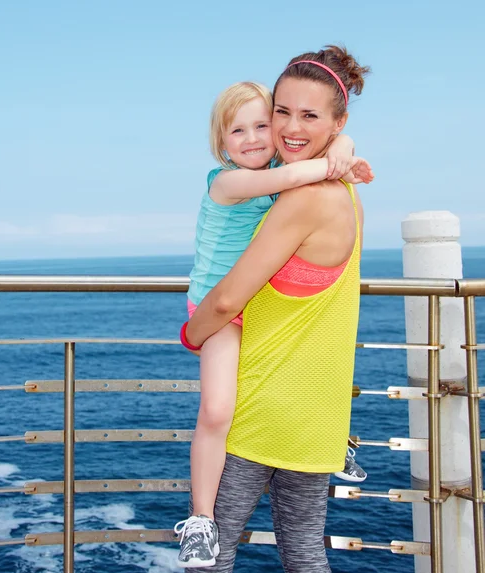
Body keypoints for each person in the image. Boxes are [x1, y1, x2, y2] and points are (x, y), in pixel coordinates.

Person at [179, 45, 370, 572]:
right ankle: (346, 440)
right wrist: (342, 150)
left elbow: (225, 299)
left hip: (263, 407)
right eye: (281, 113)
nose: (286, 129)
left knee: (214, 554)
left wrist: (193, 335)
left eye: (309, 116)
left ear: (337, 119)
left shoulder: (304, 195)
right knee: (304, 547)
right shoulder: (342, 192)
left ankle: (195, 521)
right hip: (316, 414)